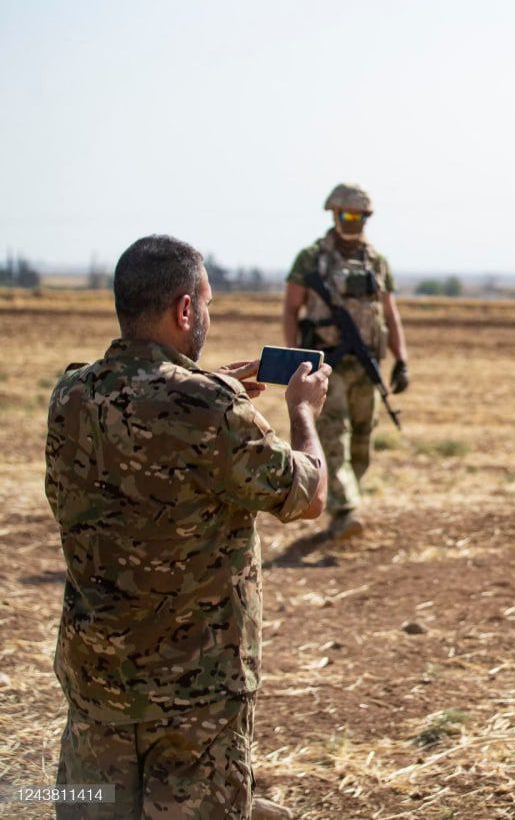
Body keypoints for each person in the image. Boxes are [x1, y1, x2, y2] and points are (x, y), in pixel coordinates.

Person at [45, 235, 330, 818]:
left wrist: (212, 390)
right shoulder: (210, 408)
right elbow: (309, 493)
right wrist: (302, 412)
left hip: (98, 686)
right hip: (194, 699)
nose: (206, 314)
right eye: (207, 303)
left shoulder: (70, 394)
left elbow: (143, 423)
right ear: (184, 309)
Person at [283, 182, 408, 539]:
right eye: (346, 214)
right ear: (333, 214)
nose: (352, 220)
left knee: (362, 440)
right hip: (328, 364)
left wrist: (402, 360)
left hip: (365, 365)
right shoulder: (311, 259)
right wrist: (296, 358)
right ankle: (345, 510)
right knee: (333, 435)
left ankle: (347, 499)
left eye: (359, 215)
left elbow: (390, 313)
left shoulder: (376, 261)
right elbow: (291, 309)